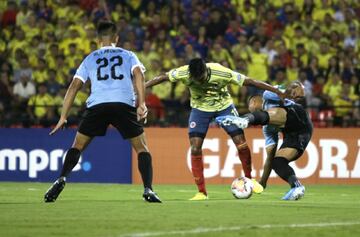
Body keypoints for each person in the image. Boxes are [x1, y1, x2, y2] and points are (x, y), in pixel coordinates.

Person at [44, 21, 161, 203]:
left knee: (78, 146)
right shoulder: (128, 55)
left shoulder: (90, 58)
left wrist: (63, 116)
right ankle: (148, 189)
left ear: (98, 39)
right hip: (123, 103)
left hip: (97, 105)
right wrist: (141, 103)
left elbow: (74, 86)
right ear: (116, 38)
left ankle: (61, 178)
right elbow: (139, 75)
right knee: (141, 148)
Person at [146, 58, 284, 200]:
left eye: (201, 78)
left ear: (205, 70)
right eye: (196, 79)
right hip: (200, 109)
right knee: (195, 148)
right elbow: (163, 76)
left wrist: (276, 90)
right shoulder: (183, 72)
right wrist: (143, 86)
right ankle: (201, 192)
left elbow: (250, 81)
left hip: (224, 108)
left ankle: (249, 180)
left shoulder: (221, 72)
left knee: (241, 143)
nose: (199, 82)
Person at [217, 81, 313, 200]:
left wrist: (296, 88)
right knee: (277, 162)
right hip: (296, 135)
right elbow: (269, 157)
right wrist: (263, 182)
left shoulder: (268, 94)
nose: (251, 109)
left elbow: (288, 87)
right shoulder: (267, 129)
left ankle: (244, 120)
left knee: (271, 113)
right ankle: (296, 186)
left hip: (297, 116)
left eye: (250, 107)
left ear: (254, 101)